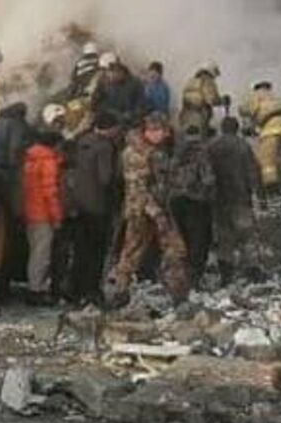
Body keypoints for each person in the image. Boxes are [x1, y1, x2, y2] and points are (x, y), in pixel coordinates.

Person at [109, 113, 189, 301]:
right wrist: (156, 212)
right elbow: (138, 189)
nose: (163, 135)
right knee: (132, 252)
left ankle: (178, 294)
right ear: (147, 131)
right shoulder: (135, 153)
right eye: (157, 131)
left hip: (159, 207)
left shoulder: (158, 150)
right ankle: (119, 292)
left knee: (175, 250)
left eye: (163, 131)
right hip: (141, 210)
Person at [63, 113, 123, 303]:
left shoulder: (82, 141)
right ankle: (92, 290)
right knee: (97, 250)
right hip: (98, 206)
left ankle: (73, 288)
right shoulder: (105, 147)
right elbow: (105, 178)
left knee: (81, 249)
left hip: (79, 204)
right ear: (111, 128)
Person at [208, 116, 262, 277]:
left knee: (224, 235)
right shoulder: (243, 146)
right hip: (241, 197)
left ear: (222, 128)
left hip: (220, 198)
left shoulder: (213, 147)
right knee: (247, 233)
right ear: (236, 128)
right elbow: (253, 172)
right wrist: (259, 194)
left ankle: (226, 271)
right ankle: (252, 269)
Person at [21, 127, 66, 298]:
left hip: (30, 212)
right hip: (43, 215)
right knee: (42, 254)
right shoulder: (48, 161)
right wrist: (57, 217)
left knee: (35, 252)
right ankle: (36, 290)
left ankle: (34, 286)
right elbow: (50, 193)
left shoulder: (30, 159)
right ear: (54, 145)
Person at [169, 123, 217, 285]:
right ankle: (194, 275)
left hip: (176, 200)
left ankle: (181, 271)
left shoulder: (176, 151)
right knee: (199, 238)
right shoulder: (202, 151)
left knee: (182, 237)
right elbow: (208, 178)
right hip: (196, 200)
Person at [240, 81, 281, 187]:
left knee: (266, 161)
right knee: (274, 156)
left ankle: (270, 187)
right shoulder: (273, 96)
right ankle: (279, 178)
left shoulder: (257, 95)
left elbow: (244, 109)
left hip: (272, 127)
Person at [92, 55, 146, 128]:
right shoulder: (103, 82)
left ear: (121, 72)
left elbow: (140, 106)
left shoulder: (136, 84)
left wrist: (130, 116)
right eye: (109, 73)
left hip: (126, 123)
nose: (110, 76)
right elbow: (95, 102)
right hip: (106, 119)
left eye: (114, 73)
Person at [179, 63, 224, 136]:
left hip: (185, 115)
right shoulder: (208, 81)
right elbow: (212, 100)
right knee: (201, 140)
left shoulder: (191, 80)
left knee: (188, 137)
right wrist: (222, 101)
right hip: (200, 115)